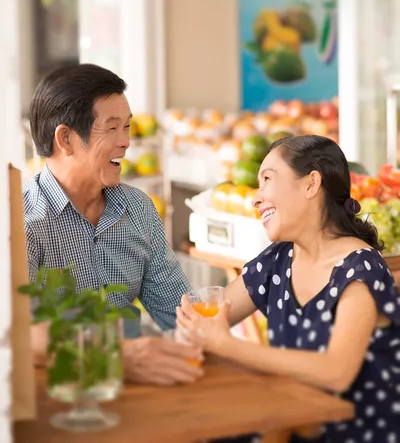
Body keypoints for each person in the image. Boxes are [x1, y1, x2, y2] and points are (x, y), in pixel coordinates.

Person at [178, 135, 400, 442]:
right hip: (293, 422)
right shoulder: (279, 258)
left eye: (267, 179)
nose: (256, 198)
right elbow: (208, 318)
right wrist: (192, 328)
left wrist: (226, 346)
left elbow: (337, 371)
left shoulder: (361, 268)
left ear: (311, 184)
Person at [24, 63, 203, 386]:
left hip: (136, 388)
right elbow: (13, 335)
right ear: (66, 139)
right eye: (112, 128)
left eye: (128, 127)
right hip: (60, 396)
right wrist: (117, 356)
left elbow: (179, 314)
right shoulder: (22, 223)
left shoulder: (138, 209)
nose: (126, 143)